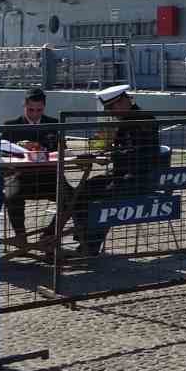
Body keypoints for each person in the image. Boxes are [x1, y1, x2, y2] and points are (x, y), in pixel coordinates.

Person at [65, 85, 158, 257]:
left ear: (122, 102)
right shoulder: (125, 120)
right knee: (83, 189)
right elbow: (119, 149)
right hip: (121, 175)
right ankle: (84, 239)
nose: (111, 112)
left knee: (104, 199)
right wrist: (101, 151)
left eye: (112, 107)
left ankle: (91, 246)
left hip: (138, 178)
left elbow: (139, 153)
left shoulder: (143, 120)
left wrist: (111, 155)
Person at [1, 88, 66, 250]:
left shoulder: (54, 124)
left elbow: (62, 148)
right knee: (10, 193)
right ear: (24, 106)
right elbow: (1, 153)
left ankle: (49, 237)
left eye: (39, 110)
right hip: (21, 178)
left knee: (74, 198)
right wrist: (21, 148)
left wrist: (47, 149)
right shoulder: (11, 126)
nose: (35, 114)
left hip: (48, 178)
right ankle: (21, 237)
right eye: (31, 110)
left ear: (44, 107)